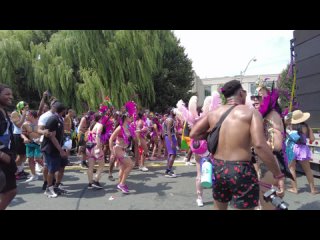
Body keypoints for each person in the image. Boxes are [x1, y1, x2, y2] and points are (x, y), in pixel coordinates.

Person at [190, 80, 285, 210]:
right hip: (241, 170)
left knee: (219, 207)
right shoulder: (251, 113)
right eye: (245, 92)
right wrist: (278, 174)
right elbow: (259, 145)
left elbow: (193, 133)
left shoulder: (214, 113)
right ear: (241, 93)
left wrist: (210, 135)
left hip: (218, 167)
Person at [286, 110, 319, 194]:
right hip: (303, 149)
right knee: (307, 170)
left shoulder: (290, 127)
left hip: (292, 147)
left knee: (291, 169)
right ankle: (313, 190)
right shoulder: (307, 127)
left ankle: (295, 189)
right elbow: (312, 139)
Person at [0, 84, 17, 209]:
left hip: (7, 154)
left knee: (11, 191)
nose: (10, 97)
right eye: (7, 94)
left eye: (11, 94)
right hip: (2, 155)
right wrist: (1, 154)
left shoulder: (4, 111)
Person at [109, 112, 134, 194]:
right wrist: (112, 152)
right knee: (130, 165)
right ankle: (122, 184)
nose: (132, 117)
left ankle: (120, 183)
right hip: (118, 149)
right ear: (126, 117)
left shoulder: (128, 126)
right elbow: (111, 139)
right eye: (130, 116)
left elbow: (132, 135)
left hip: (123, 149)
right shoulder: (120, 128)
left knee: (123, 167)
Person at [163, 108, 178, 177]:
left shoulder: (168, 119)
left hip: (169, 137)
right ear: (171, 112)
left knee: (170, 154)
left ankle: (169, 169)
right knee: (173, 154)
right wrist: (171, 141)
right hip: (170, 137)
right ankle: (168, 171)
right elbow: (168, 131)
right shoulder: (170, 120)